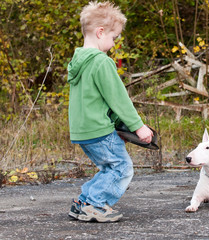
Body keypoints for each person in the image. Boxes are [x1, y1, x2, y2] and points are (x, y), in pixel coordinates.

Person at [66, 1, 153, 223]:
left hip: (82, 131)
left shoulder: (78, 62)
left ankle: (83, 203)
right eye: (114, 37)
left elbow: (93, 99)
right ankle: (94, 205)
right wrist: (138, 126)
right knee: (121, 168)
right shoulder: (100, 62)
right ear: (100, 32)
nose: (114, 44)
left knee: (108, 167)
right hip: (98, 129)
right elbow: (118, 98)